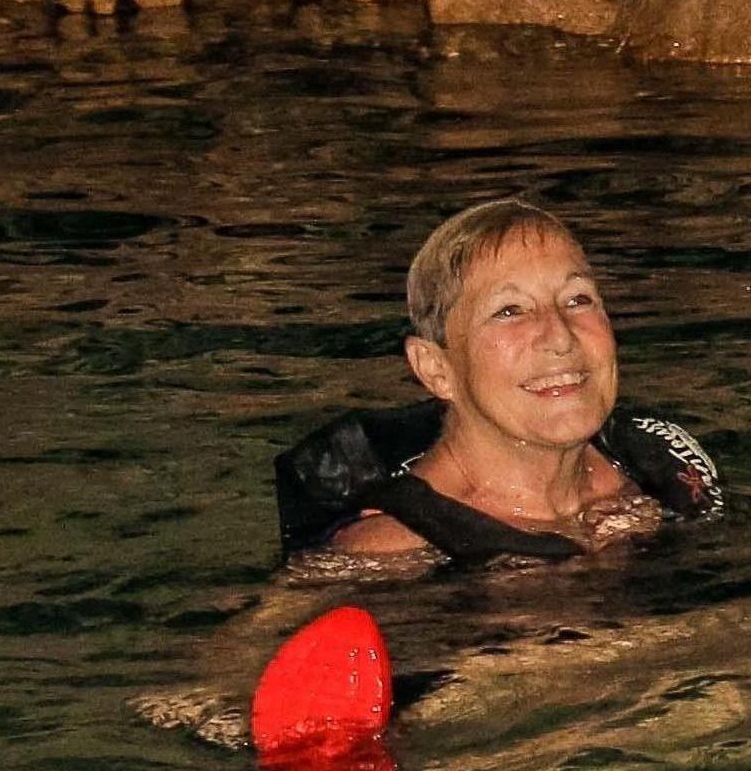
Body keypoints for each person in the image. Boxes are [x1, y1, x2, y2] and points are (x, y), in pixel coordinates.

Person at [274, 198, 722, 563]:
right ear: (436, 369)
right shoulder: (387, 553)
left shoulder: (662, 471)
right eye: (510, 311)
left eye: (577, 299)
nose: (560, 337)